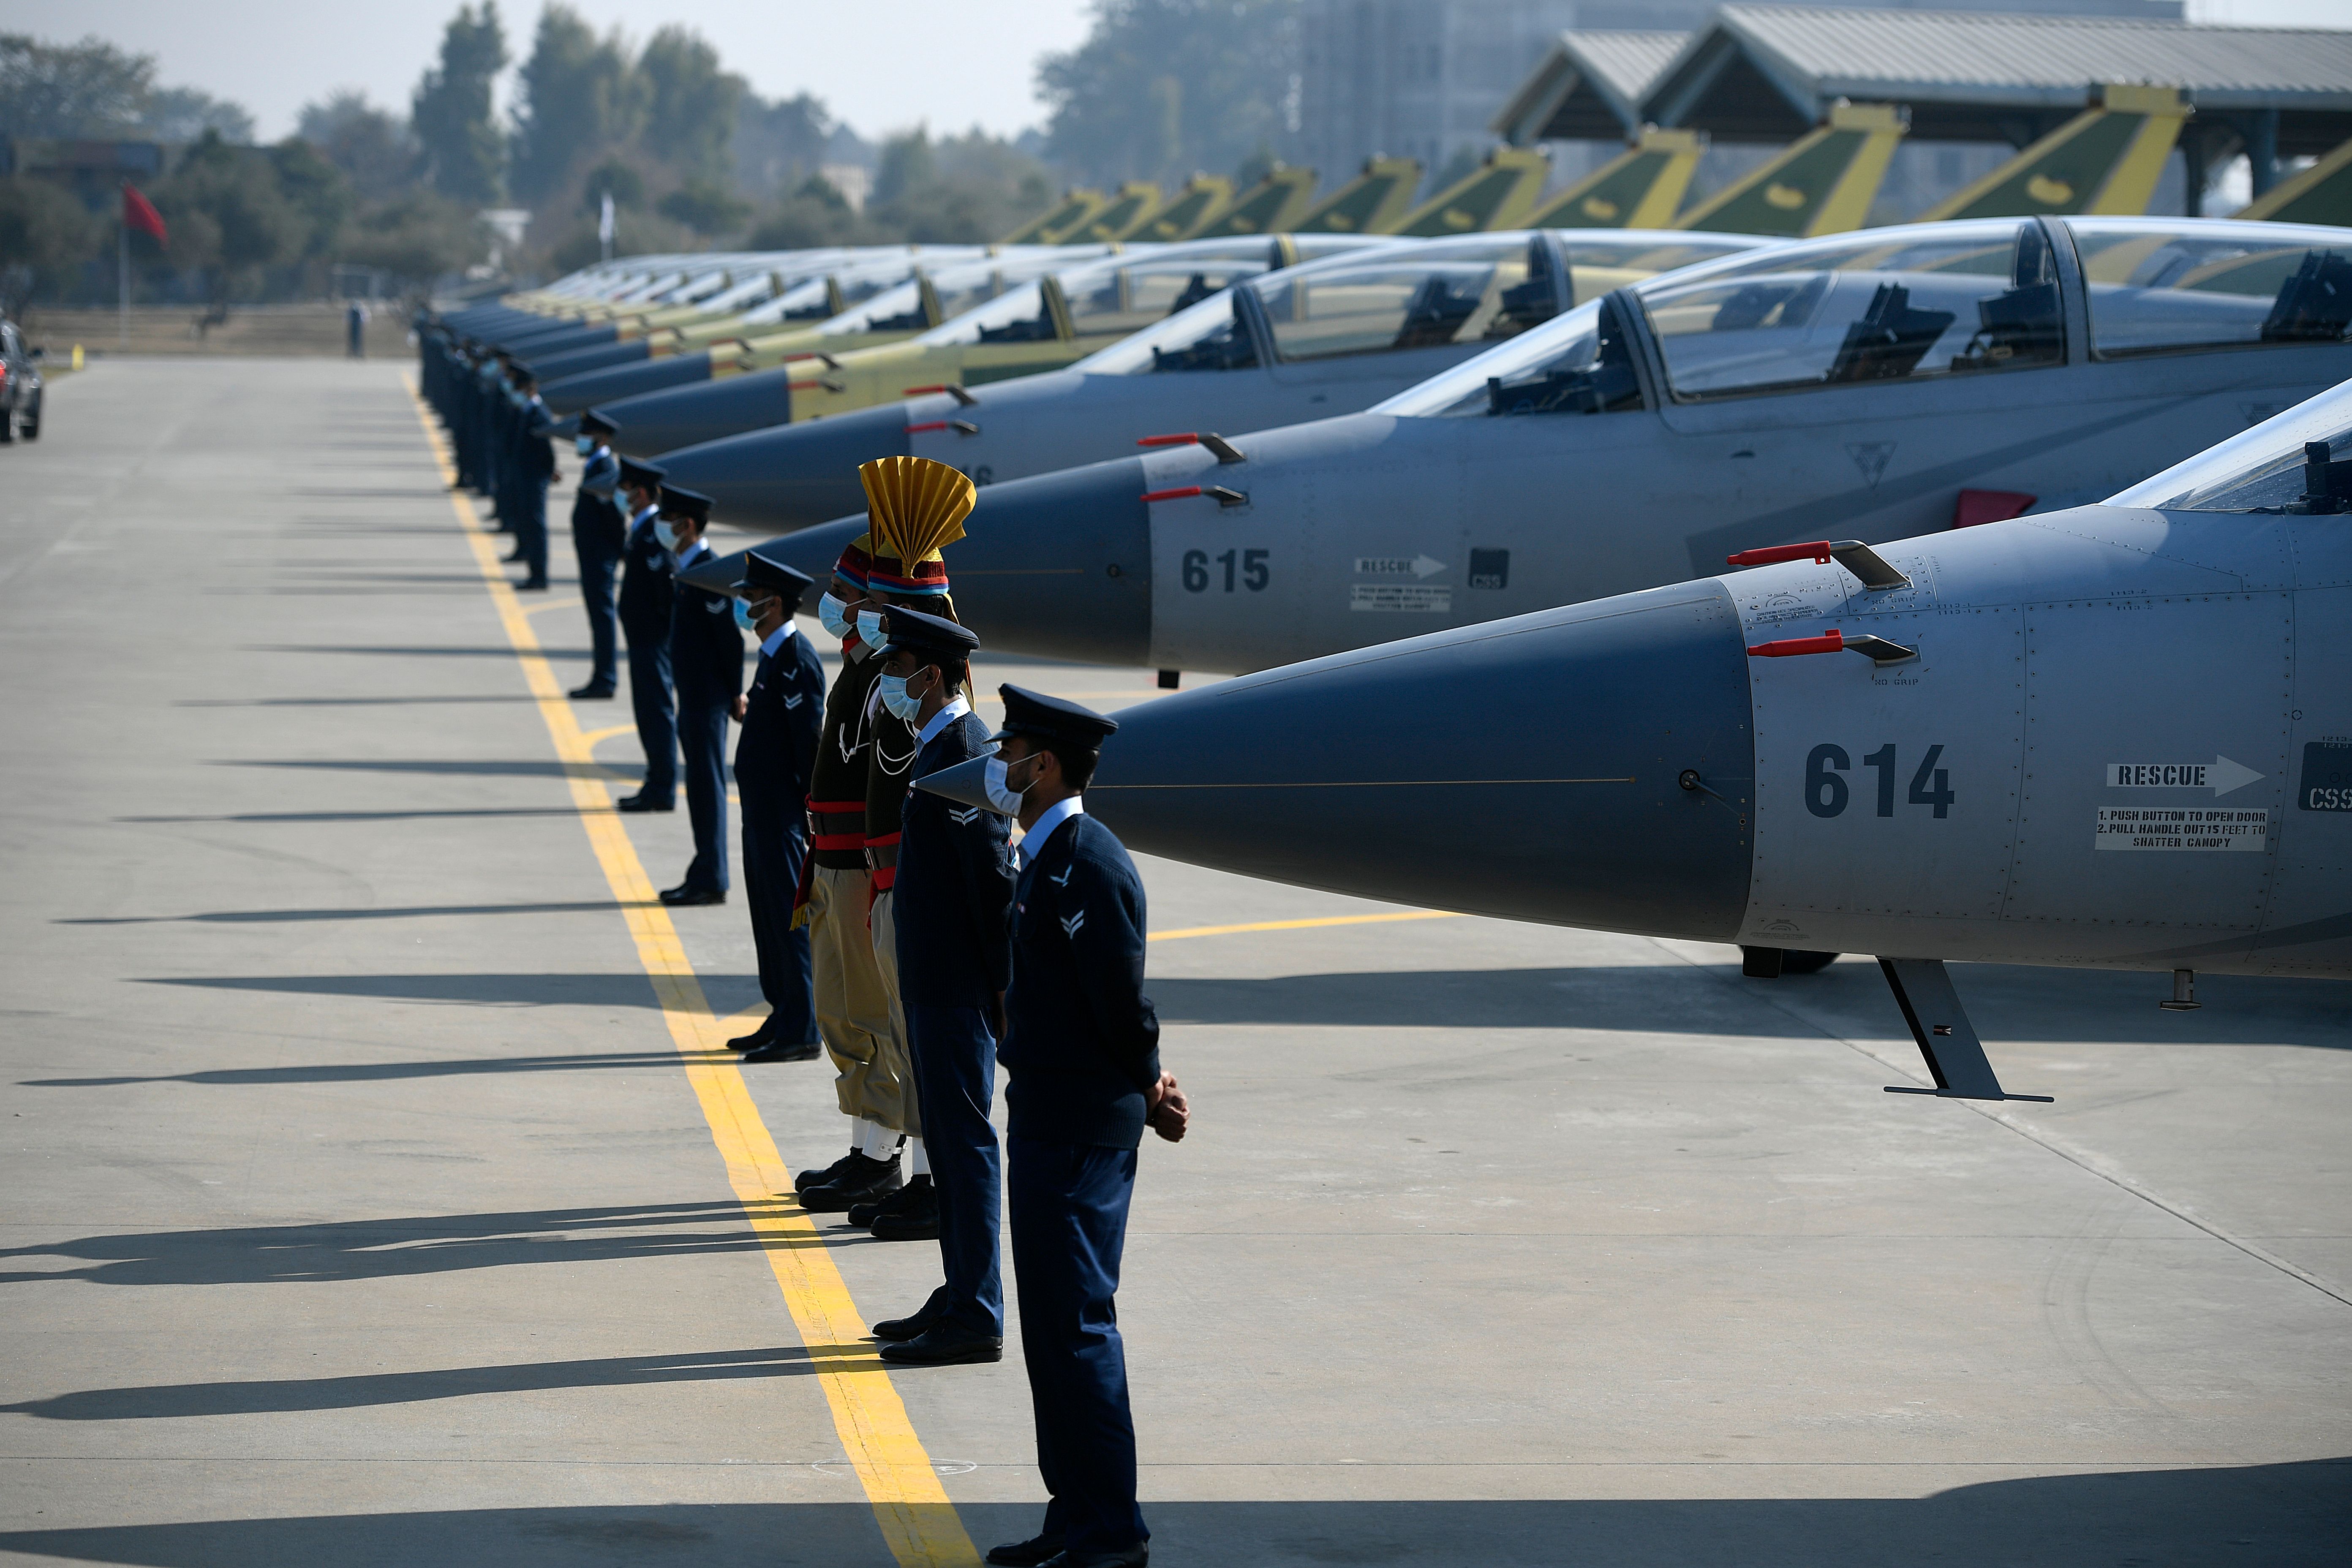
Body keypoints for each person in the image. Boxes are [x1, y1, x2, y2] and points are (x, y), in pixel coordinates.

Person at [942, 686, 1187, 1568]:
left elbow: (1118, 999)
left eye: (1009, 750)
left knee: (1078, 1324)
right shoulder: (1044, 852)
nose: (998, 763)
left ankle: (1110, 1531)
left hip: (1082, 1126)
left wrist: (1149, 1085)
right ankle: (1073, 1513)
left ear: (1041, 766)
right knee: (1051, 1329)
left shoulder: (1088, 860)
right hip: (1049, 1113)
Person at [825, 457, 977, 1231]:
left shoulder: (934, 719)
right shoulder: (883, 681)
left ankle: (917, 1171)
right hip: (878, 874)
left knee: (913, 1038)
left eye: (865, 602)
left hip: (896, 881)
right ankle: (896, 1159)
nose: (850, 613)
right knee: (880, 1022)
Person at [865, 608, 1013, 1363]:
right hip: (932, 983)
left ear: (932, 674)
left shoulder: (967, 750)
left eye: (899, 665)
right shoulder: (936, 747)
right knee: (951, 1146)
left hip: (956, 988)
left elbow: (992, 881)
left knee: (965, 1147)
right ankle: (960, 1289)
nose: (889, 677)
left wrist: (1000, 990)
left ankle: (978, 1309)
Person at [791, 534, 909, 1213]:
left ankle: (883, 1154)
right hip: (830, 860)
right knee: (840, 1013)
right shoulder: (857, 667)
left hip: (859, 868)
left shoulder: (883, 674)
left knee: (871, 1015)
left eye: (844, 593)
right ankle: (867, 1146)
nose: (832, 604)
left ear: (873, 603)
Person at [729, 551, 826, 1063]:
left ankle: (803, 1028)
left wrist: (811, 810)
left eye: (752, 599)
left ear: (778, 603)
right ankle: (783, 1011)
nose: (747, 605)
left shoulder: (796, 658)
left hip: (785, 815)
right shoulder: (771, 655)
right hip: (761, 813)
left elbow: (808, 738)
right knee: (768, 918)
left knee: (791, 922)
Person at [656, 485, 736, 906]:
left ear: (686, 525)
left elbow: (729, 641)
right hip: (694, 698)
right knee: (701, 788)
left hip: (707, 702)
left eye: (668, 519)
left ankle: (711, 876)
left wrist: (734, 692)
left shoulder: (708, 571)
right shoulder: (690, 568)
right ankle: (705, 868)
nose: (662, 527)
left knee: (707, 788)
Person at [613, 456, 677, 814]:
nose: (620, 496)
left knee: (656, 713)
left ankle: (661, 787)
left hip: (652, 643)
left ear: (639, 493)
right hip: (644, 642)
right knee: (647, 712)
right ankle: (655, 781)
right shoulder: (642, 528)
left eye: (624, 489)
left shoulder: (653, 533)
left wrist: (660, 635)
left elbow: (664, 593)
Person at [568, 410, 626, 700]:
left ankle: (605, 679)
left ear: (602, 438)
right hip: (593, 553)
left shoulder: (604, 467)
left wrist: (619, 550)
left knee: (602, 617)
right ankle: (601, 676)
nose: (581, 440)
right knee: (597, 616)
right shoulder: (595, 464)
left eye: (587, 434)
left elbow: (613, 516)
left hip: (600, 555)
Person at [507, 368, 556, 590]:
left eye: (520, 388)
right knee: (529, 523)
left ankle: (540, 576)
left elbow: (546, 450)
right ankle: (533, 572)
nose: (516, 393)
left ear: (531, 389)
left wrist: (548, 473)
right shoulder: (527, 411)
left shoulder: (538, 414)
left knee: (536, 526)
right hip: (526, 478)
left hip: (534, 480)